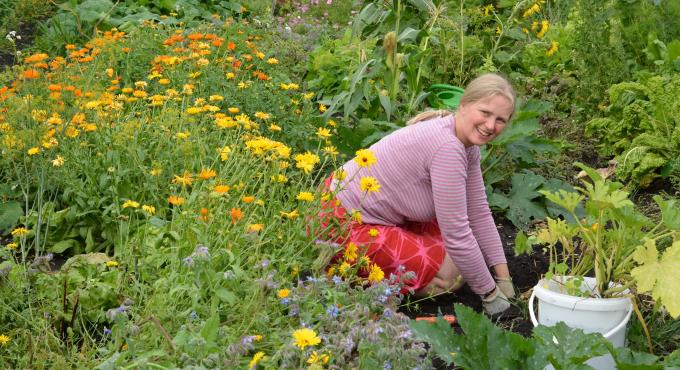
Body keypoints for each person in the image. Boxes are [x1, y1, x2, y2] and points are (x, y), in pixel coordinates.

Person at [322, 73, 517, 316]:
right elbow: (457, 235)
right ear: (464, 104)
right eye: (485, 113)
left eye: (501, 120)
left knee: (466, 254)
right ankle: (354, 285)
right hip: (339, 227)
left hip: (360, 211)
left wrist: (504, 280)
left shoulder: (464, 144)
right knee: (453, 275)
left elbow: (478, 213)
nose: (491, 126)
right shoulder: (447, 148)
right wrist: (490, 296)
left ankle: (377, 275)